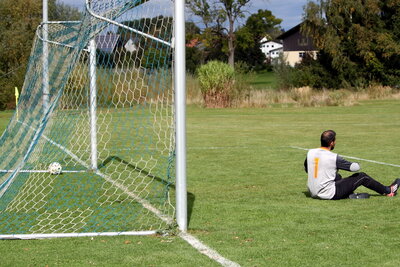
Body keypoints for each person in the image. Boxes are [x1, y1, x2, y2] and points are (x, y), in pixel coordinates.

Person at [304, 130, 400, 200]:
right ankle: (388, 190)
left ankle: (347, 193)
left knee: (337, 176)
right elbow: (355, 168)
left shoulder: (310, 152)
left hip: (312, 191)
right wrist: (358, 163)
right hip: (328, 193)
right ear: (331, 142)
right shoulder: (333, 157)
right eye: (335, 141)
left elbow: (307, 169)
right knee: (362, 176)